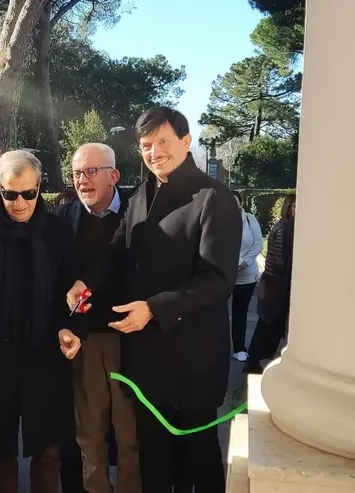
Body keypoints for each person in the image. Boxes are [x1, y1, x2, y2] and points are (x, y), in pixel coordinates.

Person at [69, 106, 241, 493]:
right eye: (146, 145)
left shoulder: (214, 198)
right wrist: (85, 281)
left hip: (193, 357)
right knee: (155, 457)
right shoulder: (141, 196)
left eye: (163, 141)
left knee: (198, 455)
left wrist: (154, 308)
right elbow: (116, 253)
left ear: (185, 141)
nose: (154, 151)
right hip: (146, 358)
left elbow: (217, 279)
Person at [0, 150, 83, 493]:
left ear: (40, 188)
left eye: (28, 194)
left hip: (45, 354)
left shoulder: (58, 231)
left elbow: (72, 289)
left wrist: (70, 327)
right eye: (9, 194)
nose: (19, 203)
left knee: (49, 449)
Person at [55, 143, 140, 493]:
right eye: (76, 173)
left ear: (114, 175)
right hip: (85, 341)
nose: (82, 180)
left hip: (130, 340)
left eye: (91, 171)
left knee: (131, 435)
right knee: (89, 434)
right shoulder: (65, 217)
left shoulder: (139, 213)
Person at [243, 194, 295, 375]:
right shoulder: (285, 228)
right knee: (268, 326)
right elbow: (282, 260)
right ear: (288, 208)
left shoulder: (287, 227)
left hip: (275, 287)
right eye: (294, 206)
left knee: (272, 326)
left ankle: (256, 361)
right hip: (276, 288)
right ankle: (253, 362)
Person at [231, 191, 263, 363]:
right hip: (225, 275)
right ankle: (216, 348)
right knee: (217, 313)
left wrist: (244, 262)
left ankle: (239, 348)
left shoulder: (250, 220)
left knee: (240, 313)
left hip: (246, 275)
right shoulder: (219, 220)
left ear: (241, 203)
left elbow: (258, 243)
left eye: (234, 202)